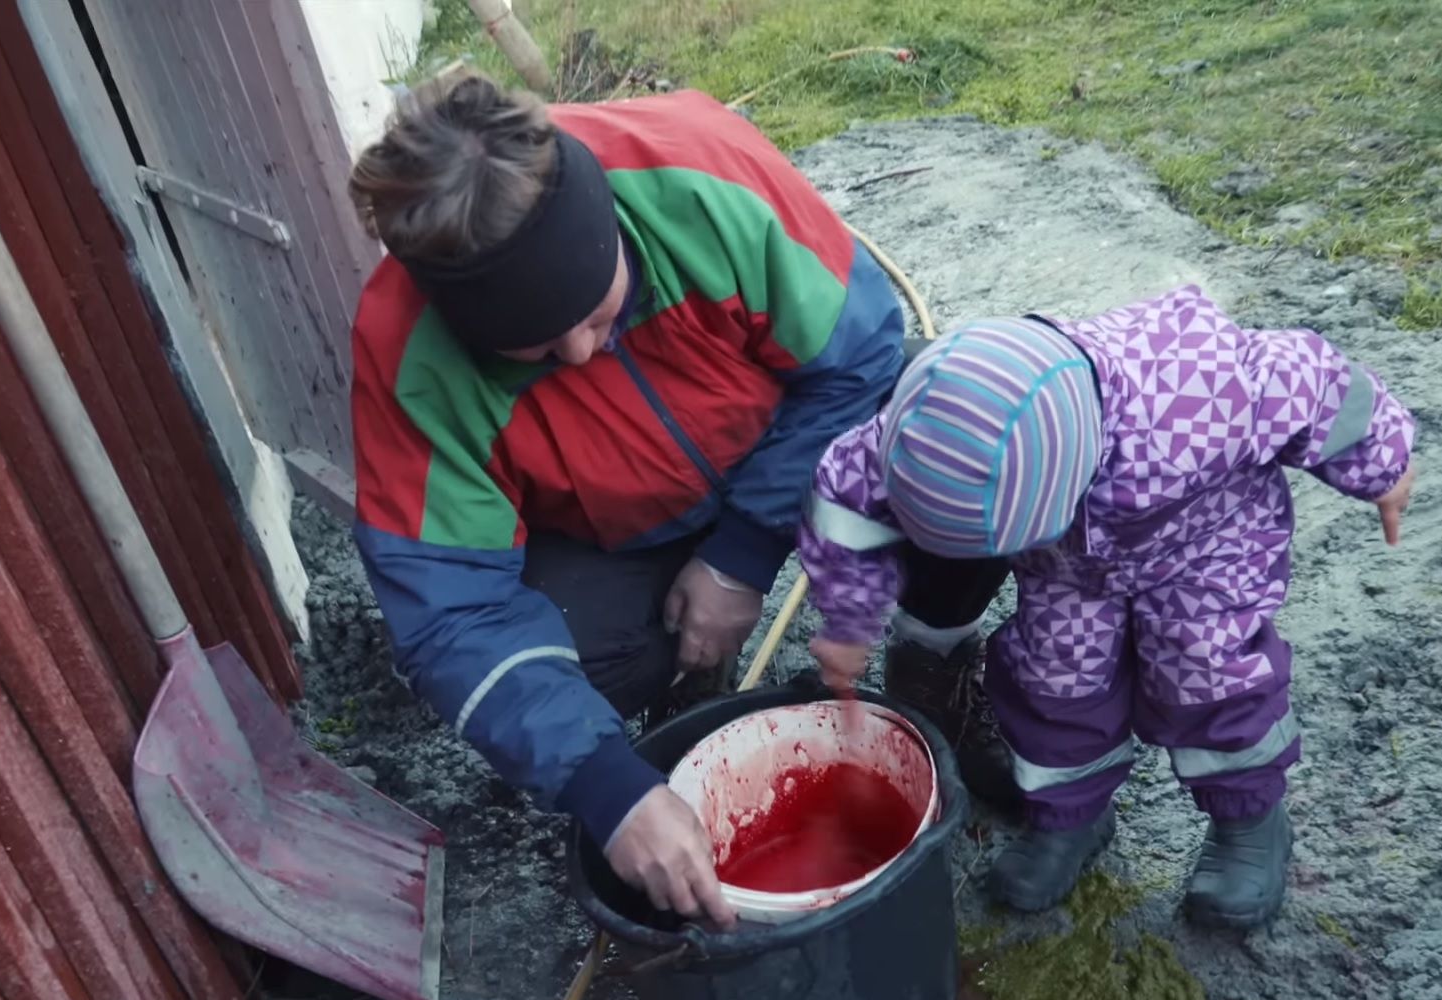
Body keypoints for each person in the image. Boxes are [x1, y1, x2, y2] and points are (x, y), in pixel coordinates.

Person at [345, 70, 1007, 927]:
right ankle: (687, 685)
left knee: (971, 435)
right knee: (574, 664)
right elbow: (453, 613)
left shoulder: (699, 171)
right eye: (539, 352)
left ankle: (933, 662)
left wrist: (741, 553)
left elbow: (859, 355)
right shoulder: (408, 357)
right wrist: (608, 787)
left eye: (600, 315)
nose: (581, 356)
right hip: (620, 534)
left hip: (795, 448)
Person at [798, 288, 1417, 927]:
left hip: (1205, 547)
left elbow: (1317, 382)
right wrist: (849, 618)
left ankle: (1249, 821)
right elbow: (843, 504)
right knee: (1050, 679)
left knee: (1208, 676)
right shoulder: (923, 429)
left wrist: (1383, 466)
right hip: (1068, 570)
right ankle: (1072, 816)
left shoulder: (1196, 395)